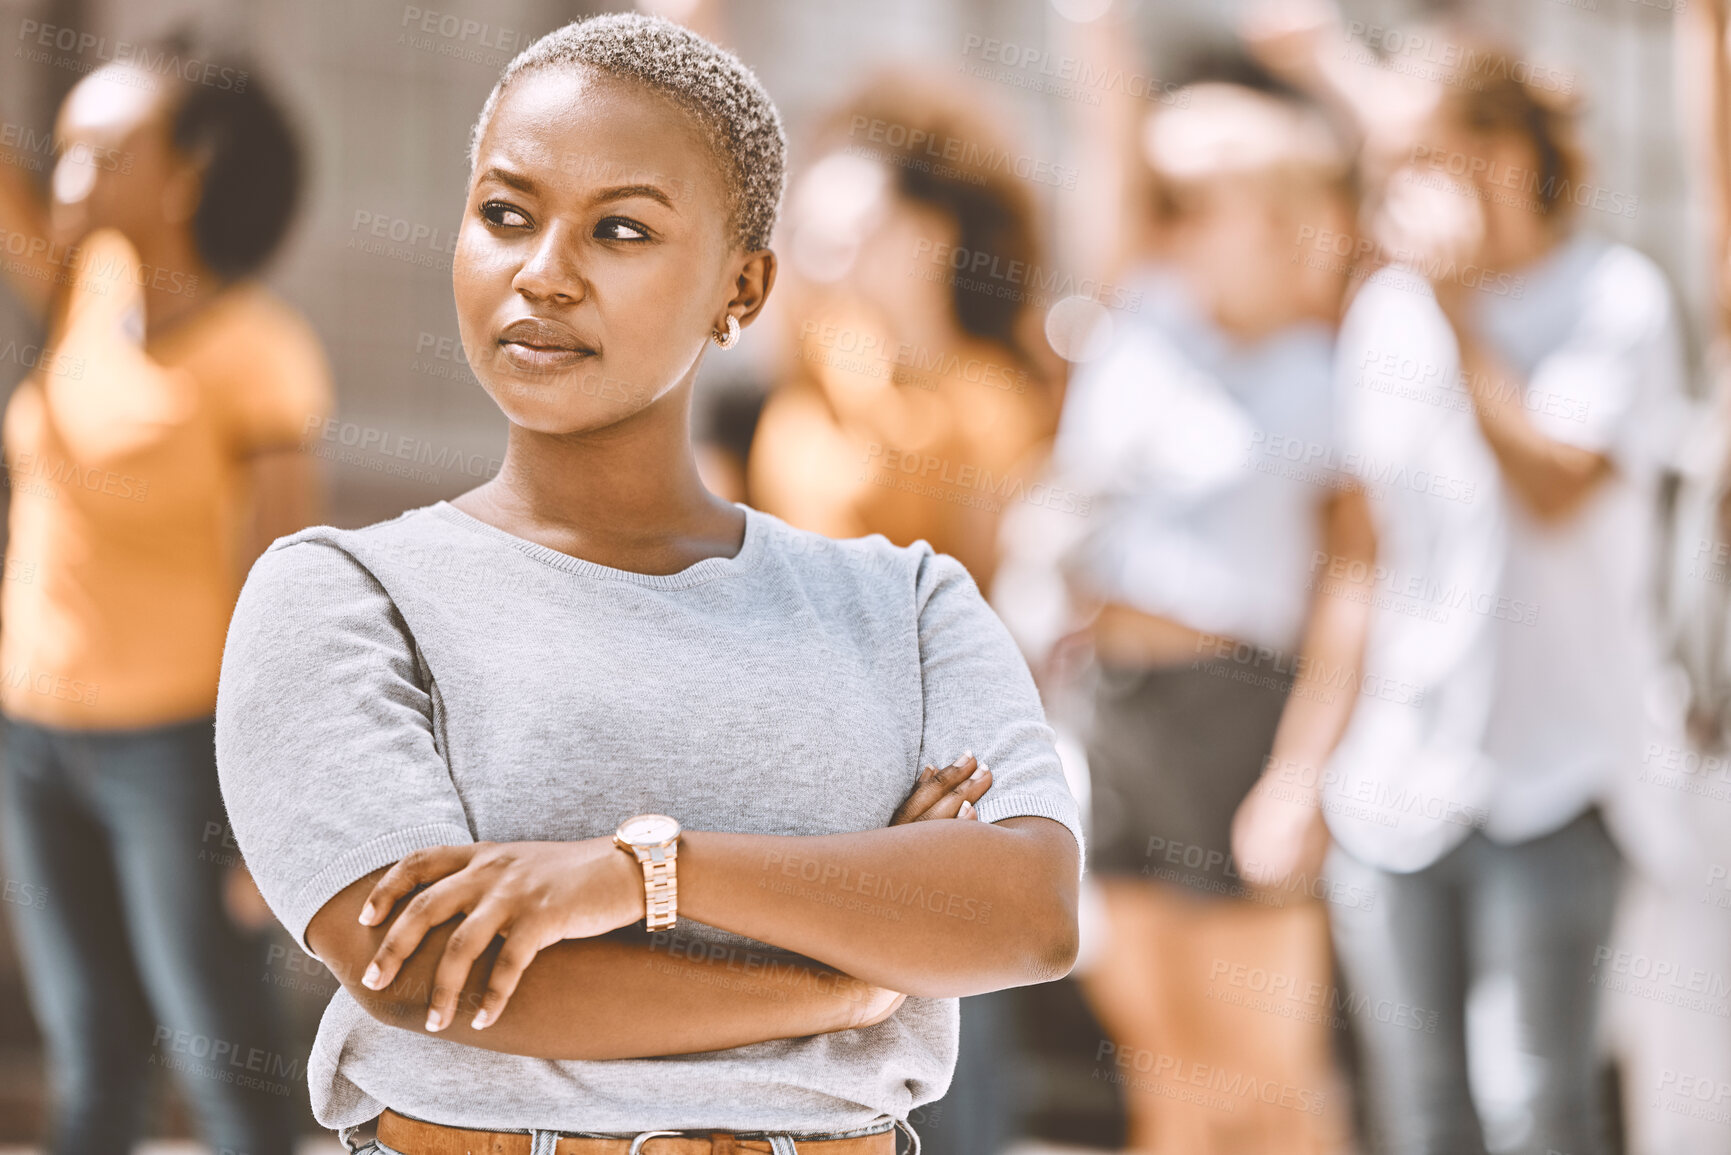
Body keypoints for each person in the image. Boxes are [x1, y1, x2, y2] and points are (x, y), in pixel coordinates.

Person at [213, 13, 1084, 1154]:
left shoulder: (905, 603)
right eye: (504, 215)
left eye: (620, 229)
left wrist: (635, 876)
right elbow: (423, 968)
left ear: (743, 287)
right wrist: (850, 983)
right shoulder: (345, 595)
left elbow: (1025, 911)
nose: (543, 273)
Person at [1320, 47, 1687, 1155]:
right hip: (1398, 775)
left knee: (1538, 1104)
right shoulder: (1382, 312)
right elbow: (1360, 553)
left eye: (1423, 161)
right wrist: (1306, 766)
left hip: (1562, 775)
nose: (1403, 194)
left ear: (1505, 156)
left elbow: (1555, 484)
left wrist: (1462, 316)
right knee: (1419, 1108)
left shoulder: (1615, 299)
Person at [1031, 73, 1371, 1155]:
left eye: (1193, 199)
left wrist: (1302, 776)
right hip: (1118, 712)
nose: (1164, 218)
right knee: (1164, 1073)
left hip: (1239, 721)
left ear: (1276, 216)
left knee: (1271, 1083)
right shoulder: (1145, 321)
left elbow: (1353, 592)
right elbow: (1106, 148)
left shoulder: (1332, 374)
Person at [0, 47, 330, 1155]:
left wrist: (265, 821)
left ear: (189, 176)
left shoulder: (261, 362)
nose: (71, 167)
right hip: (32, 736)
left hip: (174, 751)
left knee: (219, 1051)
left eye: (106, 150)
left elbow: (284, 596)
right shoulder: (86, 291)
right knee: (87, 1059)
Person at [748, 72, 1063, 592]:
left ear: (932, 239)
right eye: (813, 240)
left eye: (859, 238)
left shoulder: (993, 404)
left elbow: (988, 595)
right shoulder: (827, 354)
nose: (827, 266)